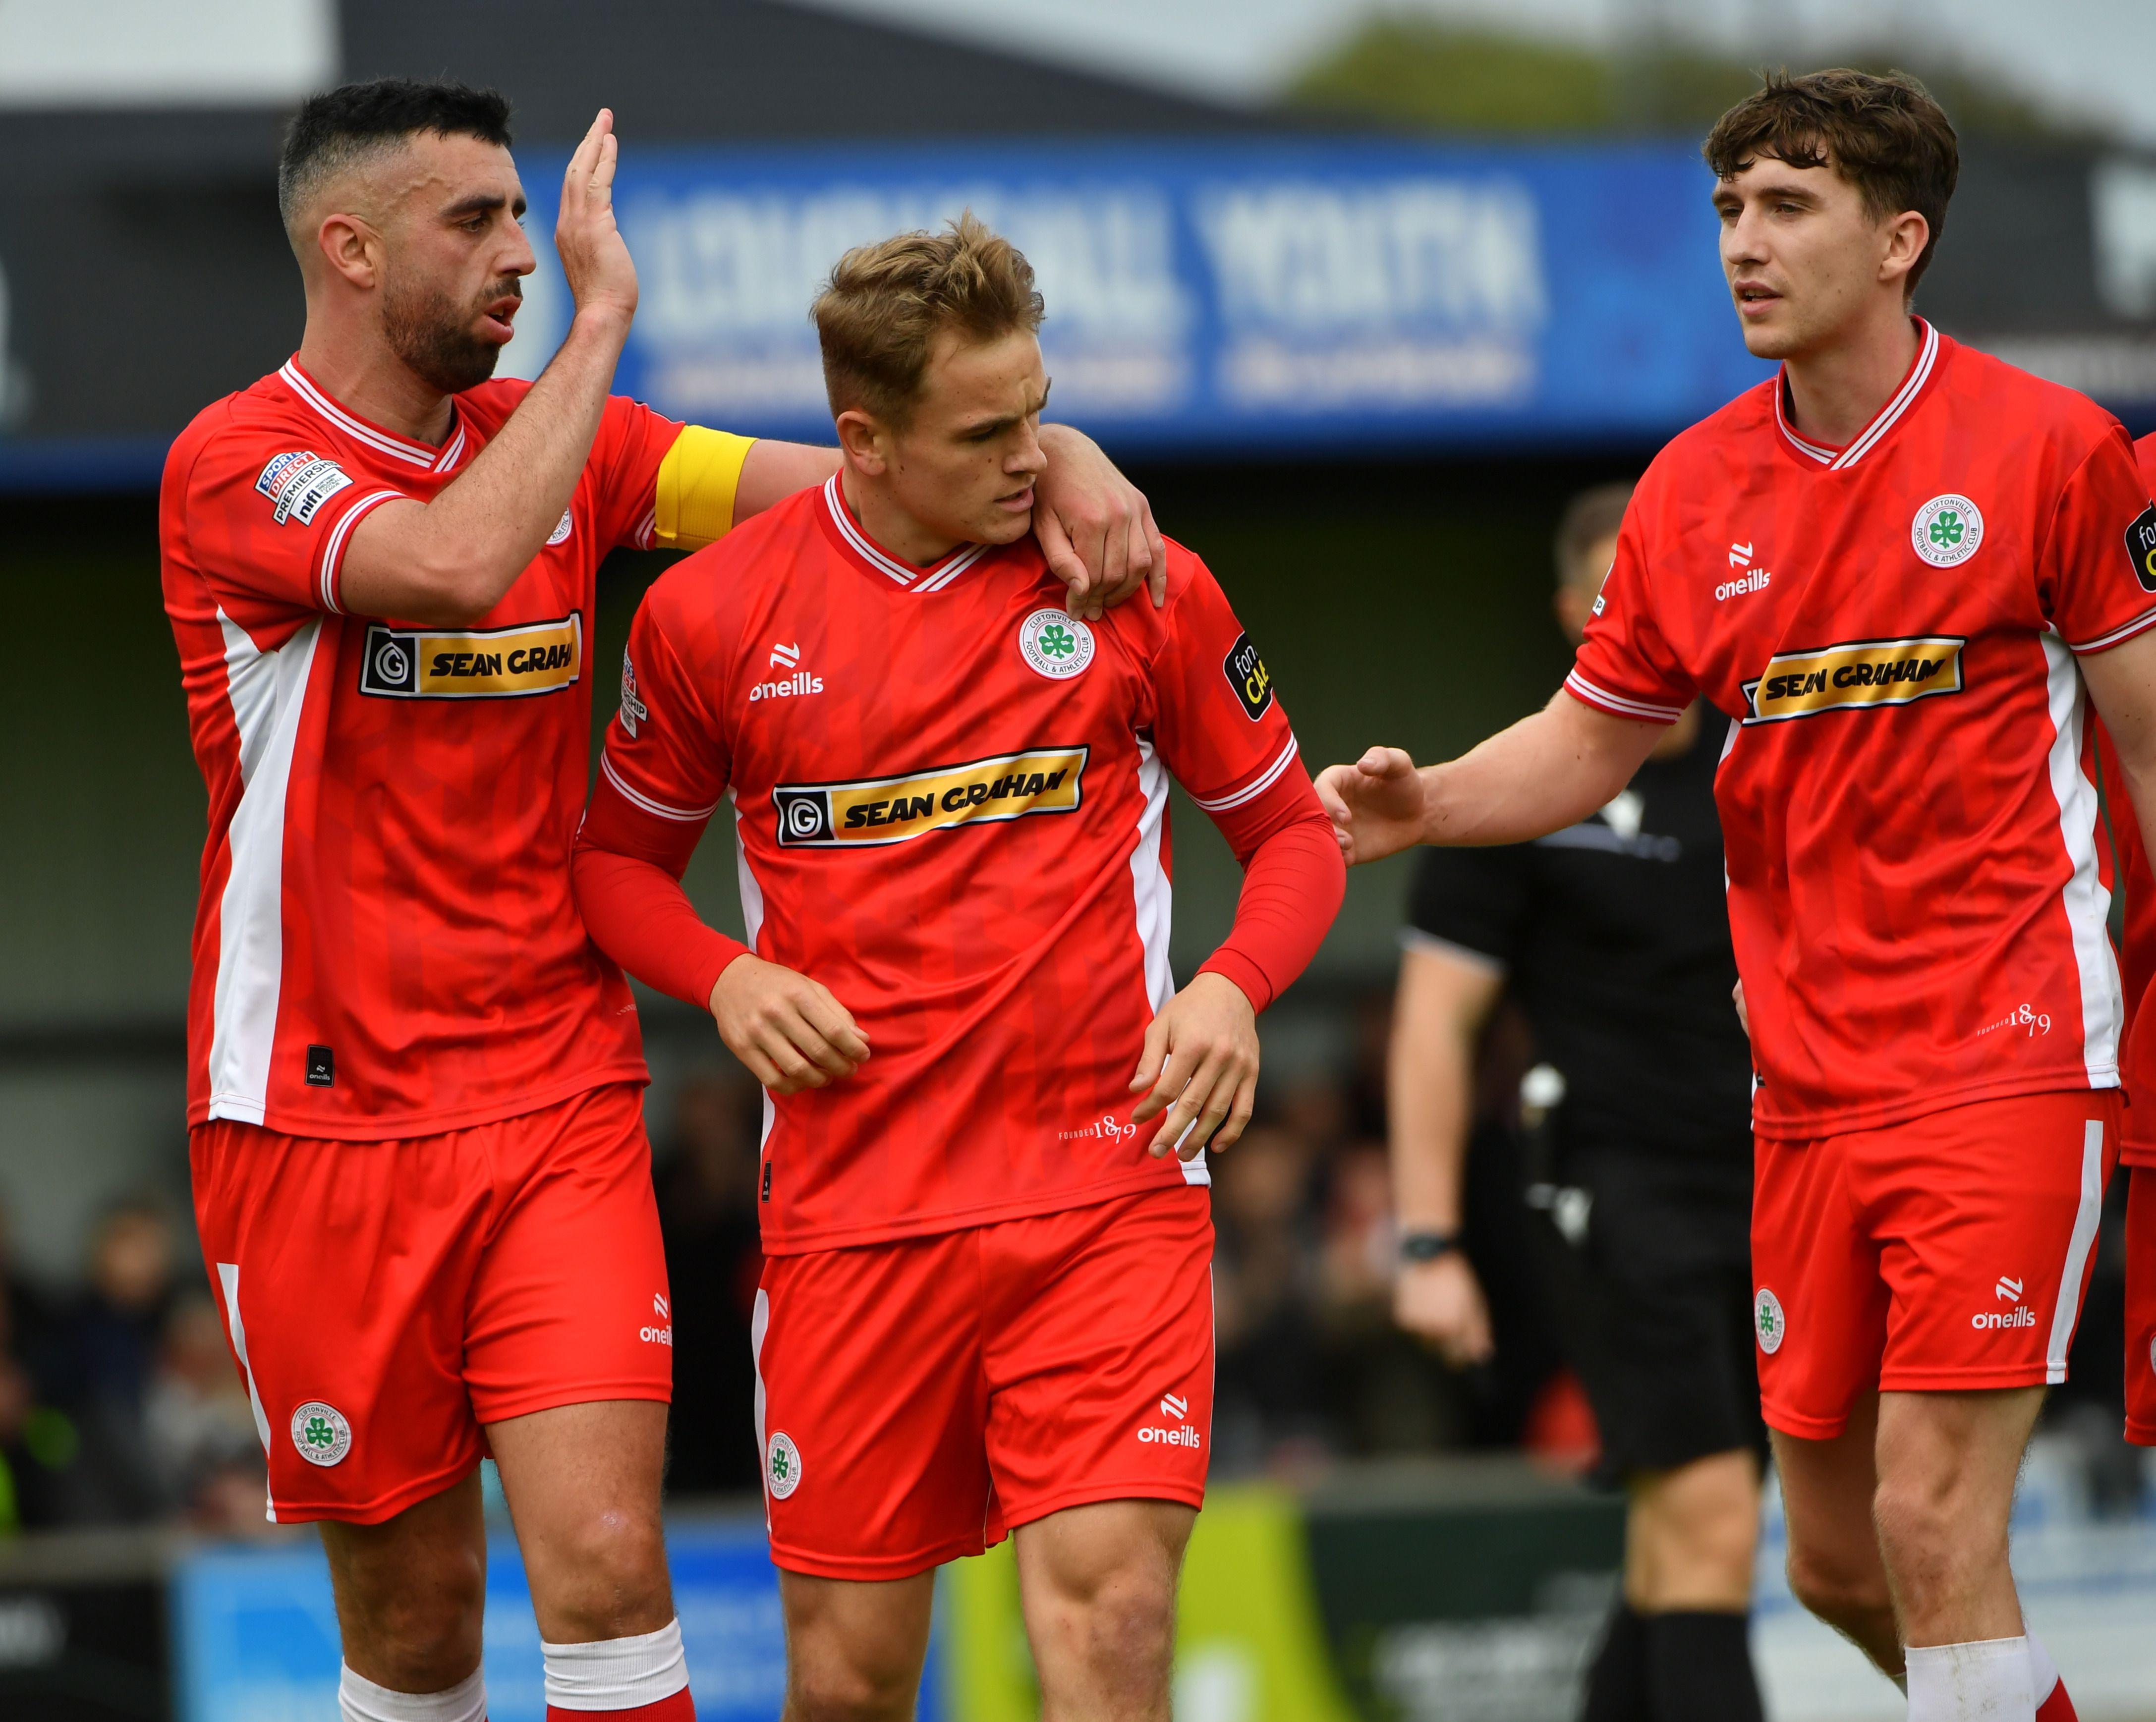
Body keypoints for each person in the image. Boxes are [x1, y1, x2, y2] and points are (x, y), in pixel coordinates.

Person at [161, 78, 1163, 1722]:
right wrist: (605, 321)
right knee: (416, 1635)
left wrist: (1057, 456)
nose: (520, 253)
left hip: (554, 1090)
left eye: (521, 215)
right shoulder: (237, 463)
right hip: (313, 1122)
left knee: (616, 1559)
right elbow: (447, 565)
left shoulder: (579, 449)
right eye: (475, 220)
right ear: (349, 248)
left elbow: (867, 488)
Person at [1318, 69, 2156, 1722]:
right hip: (1800, 1087)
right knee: (1838, 1561)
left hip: (2011, 1047)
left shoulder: (2050, 450)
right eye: (1728, 211)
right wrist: (1428, 808)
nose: (1744, 246)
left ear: (1902, 238)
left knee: (1930, 1514)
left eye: (1789, 207)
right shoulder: (1691, 492)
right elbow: (1586, 736)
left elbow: (2149, 739)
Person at [570, 213, 1345, 1722]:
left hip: (1104, 1190)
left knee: (1108, 1621)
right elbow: (610, 866)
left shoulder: (1131, 578)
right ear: (859, 441)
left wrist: (1230, 986)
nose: (1030, 458)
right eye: (986, 432)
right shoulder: (710, 617)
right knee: (849, 1684)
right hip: (856, 1219)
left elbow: (1294, 836)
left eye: (1039, 416)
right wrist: (725, 978)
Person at [1389, 481, 1764, 1722]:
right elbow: (1436, 1024)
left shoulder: (1769, 755)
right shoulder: (1520, 790)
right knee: (1711, 1516)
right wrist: (1428, 1242)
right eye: (1615, 595)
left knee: (1680, 1540)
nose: (1647, 615)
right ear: (1573, 613)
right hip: (1611, 1194)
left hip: (1777, 1183)